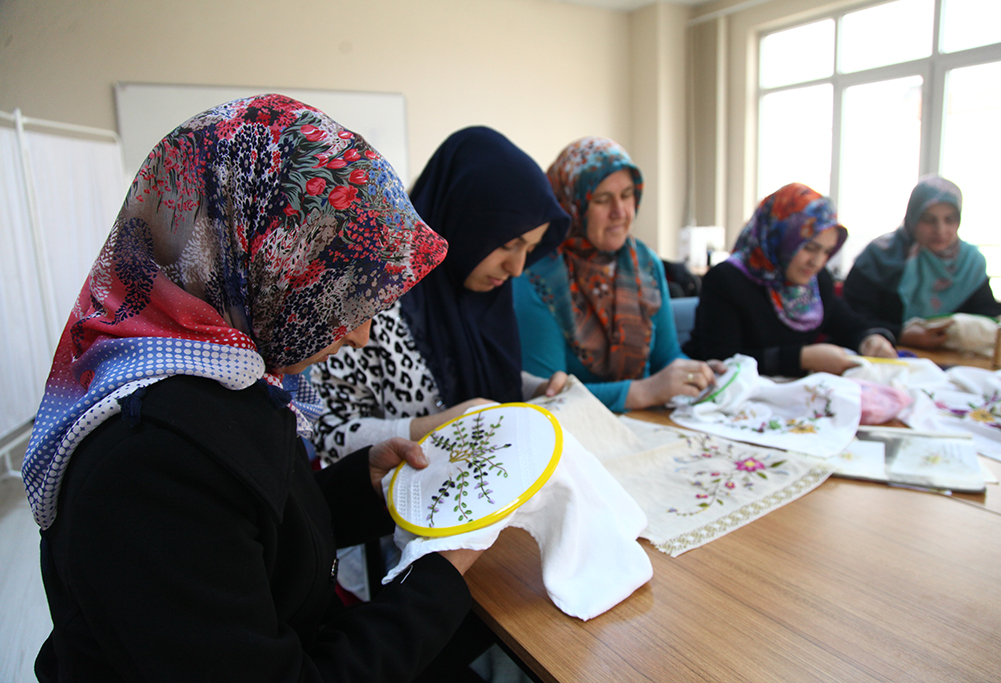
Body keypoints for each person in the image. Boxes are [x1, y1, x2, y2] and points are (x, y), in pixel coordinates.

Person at [23, 94, 487, 682]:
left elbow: (251, 537)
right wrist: (440, 576)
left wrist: (359, 484)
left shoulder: (226, 372)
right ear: (263, 264)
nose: (361, 336)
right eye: (341, 299)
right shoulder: (148, 464)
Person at [311, 126, 570, 464]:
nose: (517, 268)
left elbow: (471, 368)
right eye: (507, 244)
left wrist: (537, 389)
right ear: (462, 221)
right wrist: (437, 426)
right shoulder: (374, 297)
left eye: (531, 249)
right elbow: (326, 434)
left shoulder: (484, 292)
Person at [513, 136, 718, 412]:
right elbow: (549, 396)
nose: (620, 212)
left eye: (627, 195)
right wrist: (642, 392)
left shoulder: (645, 263)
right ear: (570, 205)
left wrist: (697, 374)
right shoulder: (537, 275)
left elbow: (666, 358)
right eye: (602, 199)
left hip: (649, 425)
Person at [683, 182, 898, 377]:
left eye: (826, 251)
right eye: (809, 248)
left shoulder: (815, 280)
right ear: (780, 238)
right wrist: (802, 358)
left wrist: (870, 339)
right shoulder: (727, 280)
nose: (817, 262)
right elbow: (723, 361)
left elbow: (849, 324)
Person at [843, 175, 1001, 349]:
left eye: (949, 220)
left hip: (947, 362)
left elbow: (987, 312)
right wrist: (900, 334)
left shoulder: (969, 262)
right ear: (913, 218)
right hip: (883, 357)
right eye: (929, 220)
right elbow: (850, 319)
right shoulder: (878, 258)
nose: (940, 230)